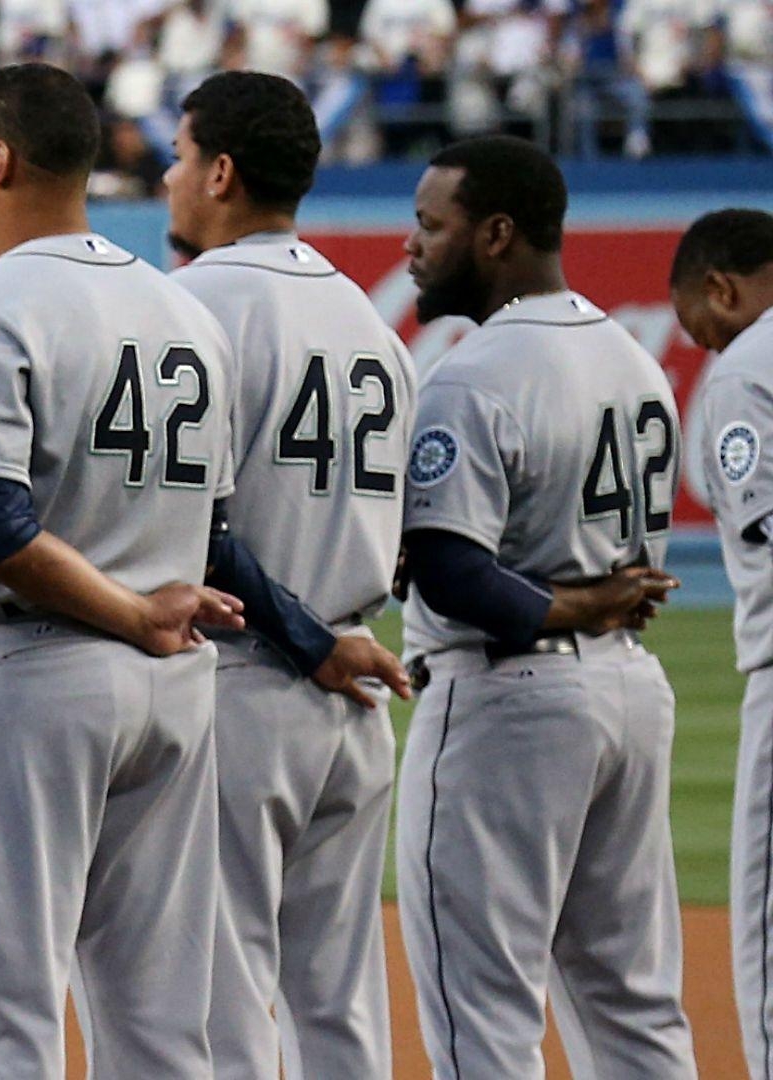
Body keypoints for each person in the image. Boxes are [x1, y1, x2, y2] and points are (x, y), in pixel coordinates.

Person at [0, 61, 246, 1077]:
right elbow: (216, 529)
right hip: (173, 690)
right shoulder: (184, 310)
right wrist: (148, 615)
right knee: (158, 1019)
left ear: (1, 160)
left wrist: (130, 612)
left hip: (35, 672)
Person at [394, 134, 695, 1078]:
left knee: (481, 1011)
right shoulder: (633, 359)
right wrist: (596, 605)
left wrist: (574, 607)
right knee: (634, 1004)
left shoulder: (473, 374)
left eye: (431, 226)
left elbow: (452, 574)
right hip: (628, 701)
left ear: (494, 234)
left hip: (508, 702)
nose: (413, 247)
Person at [165, 70, 415, 1080]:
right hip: (354, 689)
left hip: (247, 683)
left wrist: (301, 632)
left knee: (219, 1003)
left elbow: (189, 520)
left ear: (220, 172)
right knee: (341, 1011)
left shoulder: (188, 305)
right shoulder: (369, 321)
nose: (171, 176)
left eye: (181, 156)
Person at [670, 207, 773, 1080]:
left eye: (700, 328)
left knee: (768, 956)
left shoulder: (745, 373)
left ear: (723, 288)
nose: (705, 346)